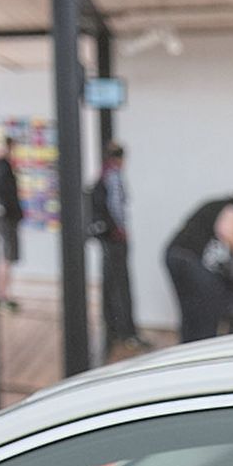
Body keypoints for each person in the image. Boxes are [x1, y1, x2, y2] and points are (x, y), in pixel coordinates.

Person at [164, 190, 233, 342]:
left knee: (190, 310)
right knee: (207, 307)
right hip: (191, 258)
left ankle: (188, 346)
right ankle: (204, 345)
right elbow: (226, 231)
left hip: (174, 254)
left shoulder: (216, 206)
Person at [89, 142, 142, 356]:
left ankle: (113, 329)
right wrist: (120, 230)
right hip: (115, 239)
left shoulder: (102, 175)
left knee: (110, 283)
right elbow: (117, 206)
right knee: (121, 284)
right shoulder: (114, 177)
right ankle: (126, 333)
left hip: (108, 239)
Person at [0, 137, 23, 313]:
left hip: (1, 218)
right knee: (5, 257)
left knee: (3, 257)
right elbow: (8, 195)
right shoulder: (3, 168)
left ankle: (0, 294)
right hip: (6, 219)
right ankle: (2, 296)